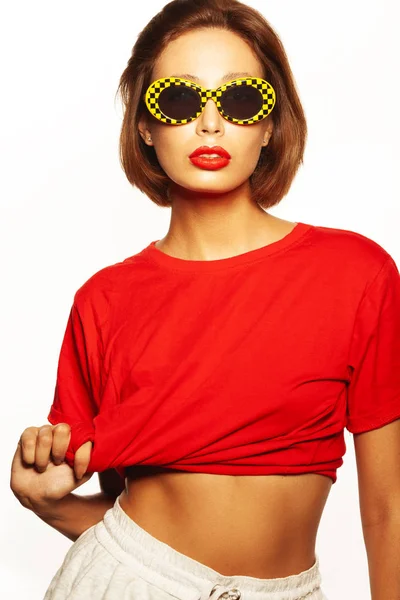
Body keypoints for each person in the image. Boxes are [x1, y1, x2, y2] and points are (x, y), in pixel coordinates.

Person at [10, 1, 400, 599]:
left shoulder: (357, 274)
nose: (211, 124)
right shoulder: (103, 301)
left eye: (242, 99)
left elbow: (389, 509)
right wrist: (46, 504)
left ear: (270, 125)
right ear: (146, 124)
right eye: (180, 100)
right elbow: (121, 519)